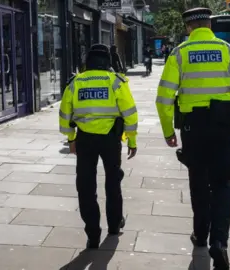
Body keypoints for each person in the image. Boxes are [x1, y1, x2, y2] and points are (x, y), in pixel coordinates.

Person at [155, 7, 230, 270]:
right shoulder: (228, 52)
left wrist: (168, 132)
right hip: (222, 126)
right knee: (222, 184)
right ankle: (219, 243)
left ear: (188, 27)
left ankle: (200, 235)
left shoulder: (179, 54)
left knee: (198, 181)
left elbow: (163, 99)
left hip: (192, 129)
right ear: (209, 24)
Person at [59, 44, 139, 249]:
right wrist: (131, 139)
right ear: (108, 62)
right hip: (111, 140)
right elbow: (129, 112)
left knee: (86, 186)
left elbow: (65, 114)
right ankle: (114, 226)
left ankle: (92, 234)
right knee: (113, 182)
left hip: (85, 140)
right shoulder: (116, 82)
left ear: (87, 62)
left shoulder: (75, 83)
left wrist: (71, 139)